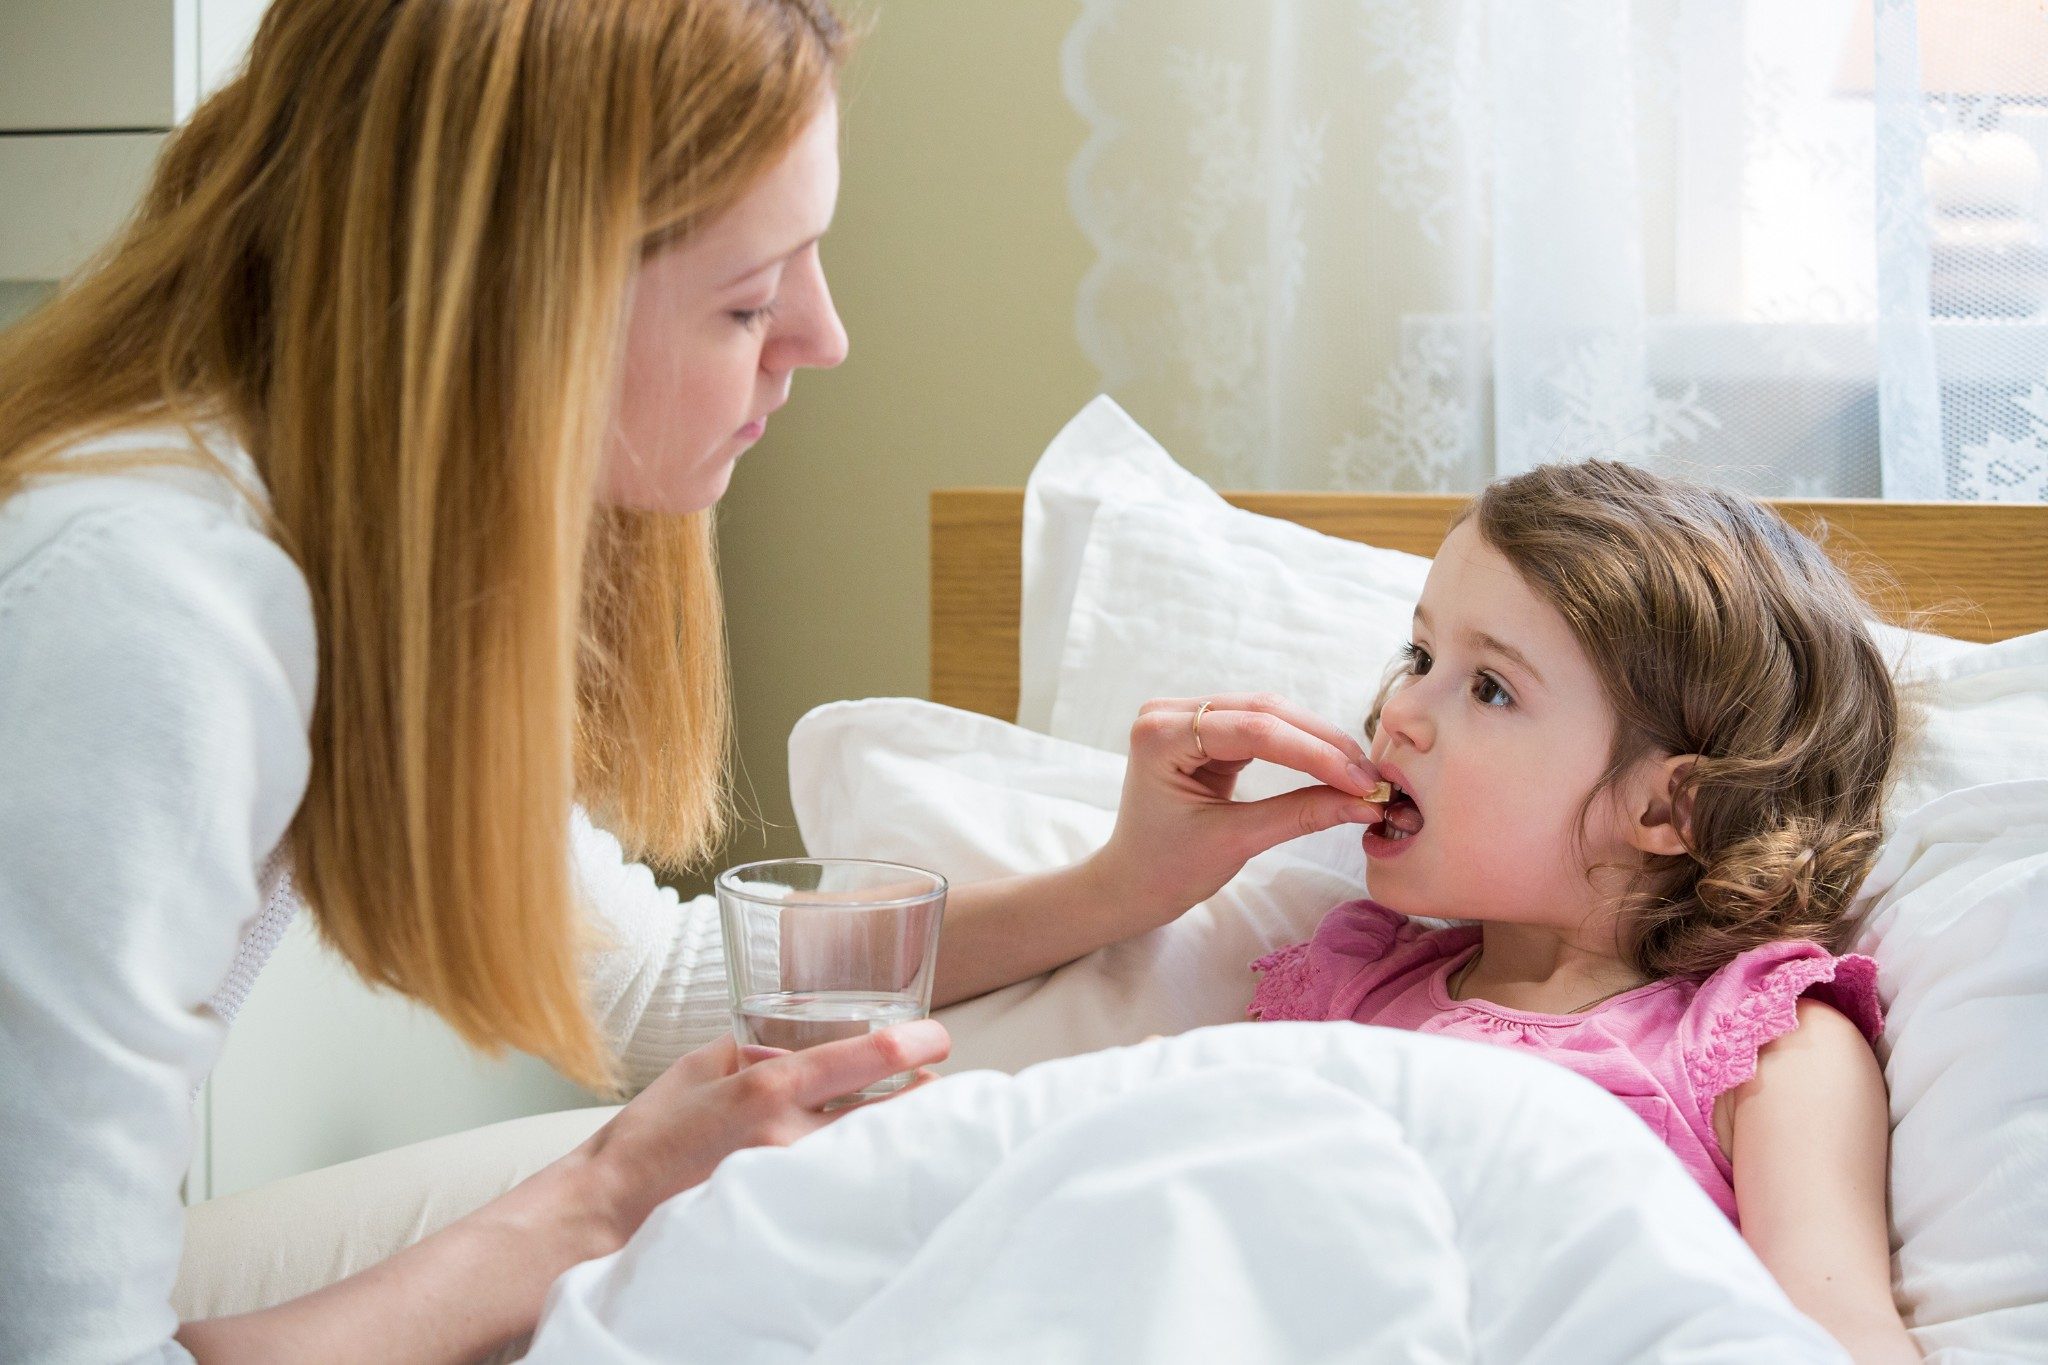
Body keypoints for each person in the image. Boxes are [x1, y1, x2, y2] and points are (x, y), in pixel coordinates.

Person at [0, 1, 1388, 1361]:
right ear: (505, 302)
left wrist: (1115, 887)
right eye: (746, 297)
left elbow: (656, 984)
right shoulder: (148, 615)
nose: (824, 337)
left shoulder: (344, 549)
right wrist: (592, 1204)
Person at [1248, 460, 1920, 1362]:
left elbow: (1838, 1331)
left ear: (1664, 810)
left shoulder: (1759, 1050)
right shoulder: (1349, 986)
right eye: (1420, 656)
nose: (1400, 711)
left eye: (1490, 687)